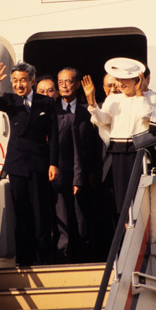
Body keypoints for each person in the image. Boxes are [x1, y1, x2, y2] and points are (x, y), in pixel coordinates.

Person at [0, 61, 58, 265]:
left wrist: (53, 163)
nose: (18, 85)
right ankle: (24, 261)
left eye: (22, 80)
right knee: (21, 213)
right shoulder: (10, 100)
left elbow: (54, 135)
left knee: (42, 214)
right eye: (15, 81)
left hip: (40, 163)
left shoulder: (46, 102)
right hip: (17, 164)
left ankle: (45, 259)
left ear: (32, 80)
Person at [81, 57, 156, 216]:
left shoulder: (148, 97)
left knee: (137, 195)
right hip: (117, 152)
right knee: (121, 197)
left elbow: (145, 116)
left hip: (137, 152)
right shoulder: (112, 98)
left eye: (126, 80)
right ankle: (123, 230)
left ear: (136, 80)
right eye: (119, 79)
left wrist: (139, 94)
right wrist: (92, 103)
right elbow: (103, 120)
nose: (121, 83)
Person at [53, 67, 100, 263]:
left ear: (77, 84)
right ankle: (62, 257)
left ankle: (85, 256)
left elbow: (92, 145)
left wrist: (88, 173)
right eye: (61, 82)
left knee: (82, 219)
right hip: (57, 174)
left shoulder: (86, 112)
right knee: (61, 217)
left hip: (83, 173)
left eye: (69, 81)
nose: (64, 86)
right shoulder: (51, 112)